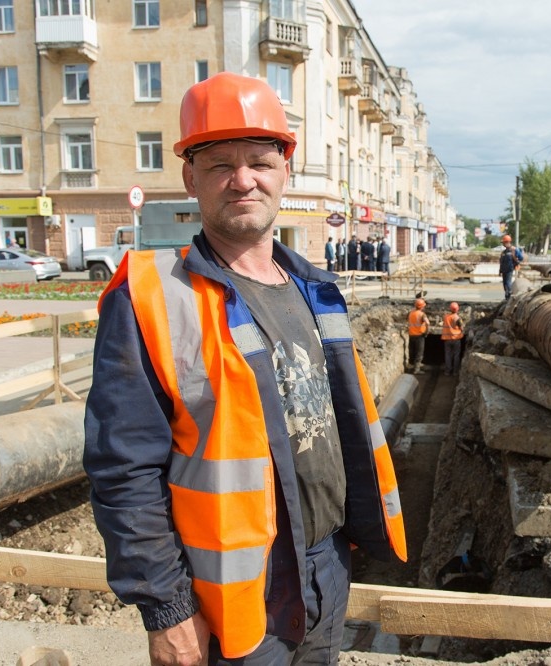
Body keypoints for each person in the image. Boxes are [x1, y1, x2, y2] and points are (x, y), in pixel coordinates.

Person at [83, 72, 406, 666]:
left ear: (285, 168)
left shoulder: (316, 290)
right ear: (190, 177)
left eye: (259, 160)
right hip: (232, 594)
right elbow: (123, 468)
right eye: (219, 165)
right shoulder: (152, 299)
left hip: (329, 562)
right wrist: (166, 610)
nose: (243, 180)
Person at [440, 302, 464, 376]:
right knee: (456, 355)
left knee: (448, 355)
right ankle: (455, 372)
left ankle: (447, 371)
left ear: (450, 309)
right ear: (457, 309)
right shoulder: (458, 318)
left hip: (447, 339)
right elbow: (462, 328)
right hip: (456, 339)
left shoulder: (446, 317)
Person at [407, 298, 429, 374]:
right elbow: (427, 323)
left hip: (411, 334)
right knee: (419, 353)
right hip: (419, 336)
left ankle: (412, 366)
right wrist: (426, 332)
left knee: (412, 351)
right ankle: (416, 369)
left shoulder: (411, 313)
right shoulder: (422, 314)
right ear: (422, 306)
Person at [498, 234, 521, 300]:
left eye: (504, 243)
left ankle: (510, 295)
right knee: (505, 284)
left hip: (509, 269)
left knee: (508, 283)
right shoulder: (503, 252)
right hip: (504, 270)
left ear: (507, 242)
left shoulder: (514, 250)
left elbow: (521, 257)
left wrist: (517, 261)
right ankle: (507, 296)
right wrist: (500, 271)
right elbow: (501, 262)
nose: (503, 244)